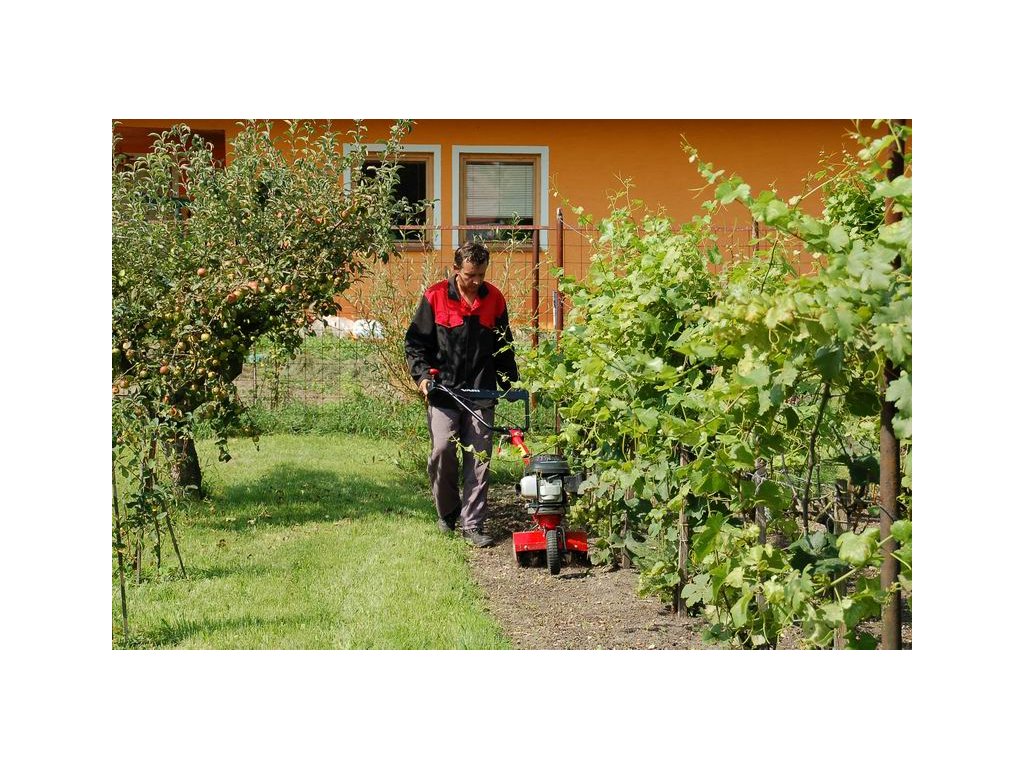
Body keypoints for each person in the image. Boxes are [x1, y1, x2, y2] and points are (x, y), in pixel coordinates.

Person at [405, 241, 519, 547]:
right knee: (442, 450)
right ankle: (448, 512)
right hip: (444, 391)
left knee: (479, 458)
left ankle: (473, 525)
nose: (477, 281)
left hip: (481, 391)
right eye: (470, 275)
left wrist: (512, 384)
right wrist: (422, 377)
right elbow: (415, 343)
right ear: (456, 270)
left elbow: (503, 347)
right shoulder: (435, 296)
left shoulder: (494, 299)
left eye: (482, 274)